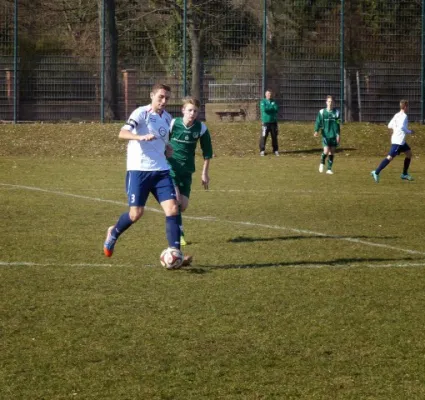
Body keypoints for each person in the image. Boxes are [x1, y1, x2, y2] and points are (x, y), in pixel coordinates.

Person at [103, 83, 192, 267]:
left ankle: (175, 253)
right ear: (152, 96)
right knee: (136, 214)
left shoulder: (168, 118)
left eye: (167, 97)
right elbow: (122, 133)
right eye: (160, 97)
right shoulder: (140, 113)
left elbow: (163, 143)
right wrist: (139, 137)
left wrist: (167, 149)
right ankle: (113, 233)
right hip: (139, 170)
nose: (164, 101)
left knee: (173, 209)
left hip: (161, 170)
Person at [167, 96, 213, 246]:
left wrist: (204, 173)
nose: (192, 113)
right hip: (170, 168)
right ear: (183, 110)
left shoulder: (201, 128)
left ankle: (173, 220)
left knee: (183, 206)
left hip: (187, 171)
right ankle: (179, 234)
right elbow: (162, 141)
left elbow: (207, 152)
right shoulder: (173, 124)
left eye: (195, 111)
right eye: (189, 110)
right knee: (176, 202)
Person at [371, 100, 414, 183]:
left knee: (409, 154)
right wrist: (410, 131)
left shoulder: (397, 115)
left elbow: (389, 125)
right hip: (398, 141)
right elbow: (402, 127)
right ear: (405, 107)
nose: (408, 108)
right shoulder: (404, 116)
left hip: (400, 141)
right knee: (389, 157)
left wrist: (396, 127)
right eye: (408, 106)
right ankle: (376, 172)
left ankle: (404, 174)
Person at [314, 95, 341, 174]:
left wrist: (338, 135)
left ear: (334, 103)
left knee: (332, 152)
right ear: (326, 102)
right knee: (326, 151)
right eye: (329, 101)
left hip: (333, 135)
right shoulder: (322, 112)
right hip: (325, 135)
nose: (330, 103)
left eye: (331, 102)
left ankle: (329, 169)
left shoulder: (336, 112)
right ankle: (322, 162)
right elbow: (318, 122)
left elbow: (337, 124)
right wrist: (316, 130)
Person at [259, 89, 279, 156]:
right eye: (268, 94)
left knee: (274, 137)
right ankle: (262, 150)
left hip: (273, 122)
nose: (269, 95)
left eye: (270, 94)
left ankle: (275, 150)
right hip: (265, 122)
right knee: (264, 136)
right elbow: (264, 109)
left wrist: (270, 108)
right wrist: (271, 108)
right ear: (265, 95)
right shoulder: (263, 102)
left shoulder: (274, 101)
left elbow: (276, 109)